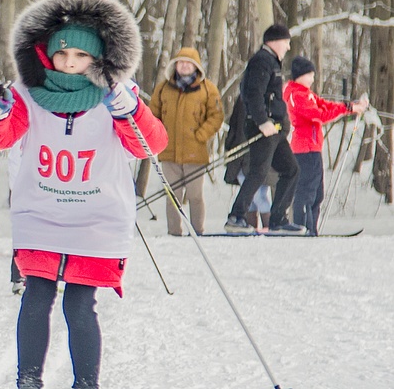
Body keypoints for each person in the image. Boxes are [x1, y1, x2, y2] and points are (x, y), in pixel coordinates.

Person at [0, 0, 168, 389]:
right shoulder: (26, 94)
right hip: (41, 213)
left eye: (81, 55)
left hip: (96, 218)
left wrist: (131, 111)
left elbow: (150, 144)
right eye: (62, 53)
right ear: (47, 53)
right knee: (35, 298)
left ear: (97, 59)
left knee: (79, 305)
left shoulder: (117, 95)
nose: (70, 62)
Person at [223, 24, 303, 234]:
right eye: (286, 42)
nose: (288, 46)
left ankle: (277, 220)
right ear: (275, 41)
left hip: (275, 129)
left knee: (290, 169)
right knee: (258, 172)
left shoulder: (272, 62)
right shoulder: (262, 61)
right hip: (263, 128)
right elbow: (253, 94)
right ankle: (236, 216)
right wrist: (261, 121)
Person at [283, 55, 368, 235]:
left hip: (314, 148)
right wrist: (347, 110)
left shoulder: (307, 94)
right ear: (301, 75)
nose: (313, 78)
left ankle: (312, 228)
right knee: (306, 192)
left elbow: (326, 105)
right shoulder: (297, 95)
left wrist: (349, 107)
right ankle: (303, 228)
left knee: (317, 194)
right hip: (305, 149)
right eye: (310, 74)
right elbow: (318, 115)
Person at [149, 47, 223, 235]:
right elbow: (152, 116)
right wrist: (159, 137)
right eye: (181, 62)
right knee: (172, 195)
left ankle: (197, 231)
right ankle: (174, 232)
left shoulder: (208, 89)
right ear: (175, 65)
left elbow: (216, 116)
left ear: (196, 67)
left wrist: (201, 135)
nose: (184, 66)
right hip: (169, 152)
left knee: (195, 195)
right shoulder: (163, 88)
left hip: (195, 153)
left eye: (188, 63)